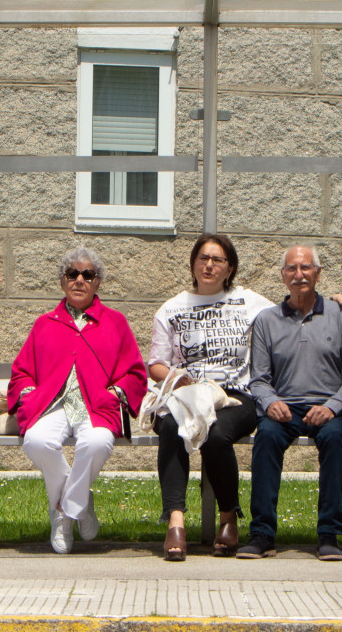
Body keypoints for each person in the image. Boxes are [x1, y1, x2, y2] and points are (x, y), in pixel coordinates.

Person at [8, 247, 147, 554]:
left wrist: (114, 394)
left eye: (88, 274)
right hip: (53, 405)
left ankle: (63, 512)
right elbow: (21, 373)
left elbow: (136, 374)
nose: (80, 280)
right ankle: (79, 503)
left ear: (97, 283)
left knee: (97, 443)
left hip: (95, 406)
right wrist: (31, 394)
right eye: (72, 274)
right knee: (36, 441)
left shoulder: (116, 322)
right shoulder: (45, 323)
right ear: (62, 282)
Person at [149, 233, 274, 560]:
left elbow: (289, 315)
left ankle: (228, 517)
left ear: (229, 268)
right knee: (171, 427)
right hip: (188, 394)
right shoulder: (171, 308)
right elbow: (156, 364)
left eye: (217, 260)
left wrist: (335, 303)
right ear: (192, 264)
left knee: (217, 435)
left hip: (235, 395)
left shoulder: (251, 303)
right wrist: (179, 377)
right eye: (203, 258)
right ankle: (175, 520)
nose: (209, 265)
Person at [239, 246, 342, 561]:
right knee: (266, 438)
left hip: (330, 408)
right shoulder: (266, 320)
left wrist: (333, 406)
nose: (298, 274)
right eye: (291, 268)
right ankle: (262, 534)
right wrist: (270, 401)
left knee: (334, 438)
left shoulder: (341, 315)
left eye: (306, 268)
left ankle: (329, 535)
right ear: (282, 275)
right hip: (285, 407)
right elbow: (259, 378)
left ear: (318, 273)